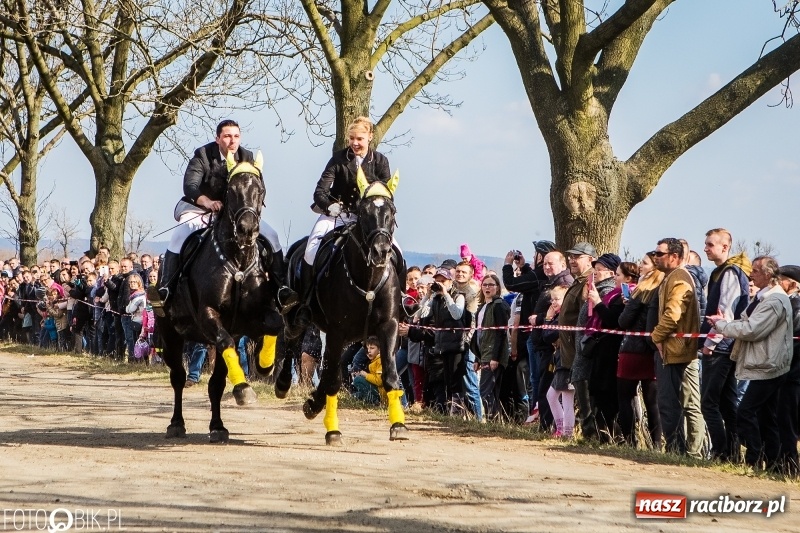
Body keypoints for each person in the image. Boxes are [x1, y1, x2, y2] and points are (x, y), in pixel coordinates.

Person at [150, 119, 297, 313]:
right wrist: (208, 202)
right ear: (217, 138)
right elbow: (190, 186)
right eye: (227, 136)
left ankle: (281, 289)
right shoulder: (203, 155)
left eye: (236, 136)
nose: (232, 141)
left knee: (273, 236)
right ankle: (166, 290)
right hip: (200, 208)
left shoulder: (247, 157)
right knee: (179, 236)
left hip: (234, 214)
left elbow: (258, 187)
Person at [294, 116, 393, 328]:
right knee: (311, 250)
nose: (355, 143)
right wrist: (329, 205)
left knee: (396, 253)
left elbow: (385, 194)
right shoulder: (338, 160)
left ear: (370, 137)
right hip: (338, 215)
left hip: (368, 220)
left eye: (359, 139)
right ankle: (306, 303)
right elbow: (320, 191)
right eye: (351, 138)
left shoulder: (380, 161)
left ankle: (398, 302)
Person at [707, 256, 793, 470]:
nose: (751, 274)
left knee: (745, 412)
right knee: (766, 417)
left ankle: (754, 459)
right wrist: (725, 323)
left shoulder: (774, 301)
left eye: (755, 270)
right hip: (765, 363)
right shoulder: (765, 298)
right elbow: (748, 323)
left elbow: (752, 330)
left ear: (768, 274)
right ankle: (774, 463)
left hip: (768, 365)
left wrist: (722, 326)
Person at [699, 228, 751, 461]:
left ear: (725, 247)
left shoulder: (730, 272)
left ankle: (720, 451)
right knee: (727, 402)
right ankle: (732, 451)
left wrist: (710, 342)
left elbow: (725, 313)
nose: (706, 249)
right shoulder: (722, 272)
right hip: (727, 344)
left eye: (710, 244)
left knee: (709, 402)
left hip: (721, 346)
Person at [650, 237, 701, 456]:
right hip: (675, 350)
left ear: (674, 256)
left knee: (669, 403)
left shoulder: (679, 278)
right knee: (676, 402)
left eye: (659, 254)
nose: (655, 257)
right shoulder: (670, 276)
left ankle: (676, 450)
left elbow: (673, 314)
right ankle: (680, 449)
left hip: (675, 350)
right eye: (654, 253)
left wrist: (656, 336)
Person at [616, 253, 664, 448]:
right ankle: (656, 444)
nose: (640, 265)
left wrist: (627, 306)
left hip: (633, 350)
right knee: (652, 401)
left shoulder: (642, 289)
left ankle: (630, 441)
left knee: (625, 396)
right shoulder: (662, 289)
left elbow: (623, 321)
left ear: (654, 268)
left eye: (644, 263)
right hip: (653, 351)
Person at [471, 273, 510, 419]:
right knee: (490, 391)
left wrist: (495, 357)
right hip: (483, 353)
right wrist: (477, 358)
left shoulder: (499, 305)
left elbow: (500, 333)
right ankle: (494, 420)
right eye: (485, 284)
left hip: (493, 354)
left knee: (485, 391)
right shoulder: (482, 307)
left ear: (497, 287)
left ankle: (492, 419)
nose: (487, 287)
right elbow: (479, 334)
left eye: (491, 285)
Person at [776, 265, 800, 475]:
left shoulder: (794, 306)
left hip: (792, 374)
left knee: (788, 421)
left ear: (793, 284)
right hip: (788, 373)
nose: (777, 283)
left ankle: (789, 466)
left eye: (781, 279)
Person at [542, 286, 573, 437]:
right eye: (552, 299)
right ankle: (561, 429)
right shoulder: (558, 315)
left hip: (566, 361)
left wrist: (547, 319)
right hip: (560, 359)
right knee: (552, 396)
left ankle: (567, 432)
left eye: (557, 299)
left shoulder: (563, 316)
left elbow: (547, 335)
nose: (553, 302)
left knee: (566, 397)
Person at [352, 336, 385, 405]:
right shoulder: (374, 360)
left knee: (357, 380)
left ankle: (375, 402)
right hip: (378, 389)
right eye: (368, 348)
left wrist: (365, 375)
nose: (369, 351)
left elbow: (379, 381)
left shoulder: (380, 361)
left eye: (372, 348)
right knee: (356, 395)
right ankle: (372, 400)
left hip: (382, 392)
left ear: (379, 350)